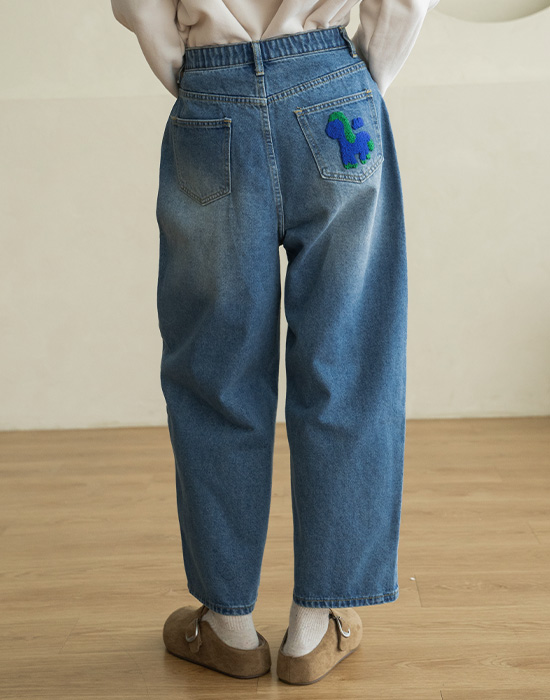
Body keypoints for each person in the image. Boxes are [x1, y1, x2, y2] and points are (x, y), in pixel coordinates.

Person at [111, 0, 438, 685]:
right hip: (332, 90)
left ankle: (227, 627)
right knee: (349, 362)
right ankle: (315, 626)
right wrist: (354, 76)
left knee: (216, 373)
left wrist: (200, 75)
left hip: (212, 97)